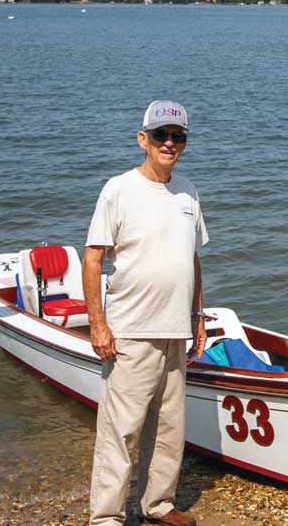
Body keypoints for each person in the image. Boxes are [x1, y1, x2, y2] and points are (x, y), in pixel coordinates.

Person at [83, 100, 209, 526]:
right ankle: (106, 517)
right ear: (143, 139)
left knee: (169, 429)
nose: (169, 143)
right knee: (120, 431)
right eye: (161, 135)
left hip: (176, 329)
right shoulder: (118, 189)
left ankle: (157, 505)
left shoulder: (188, 191)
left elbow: (192, 259)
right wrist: (98, 325)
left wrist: (198, 316)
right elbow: (92, 259)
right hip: (131, 330)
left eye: (178, 136)